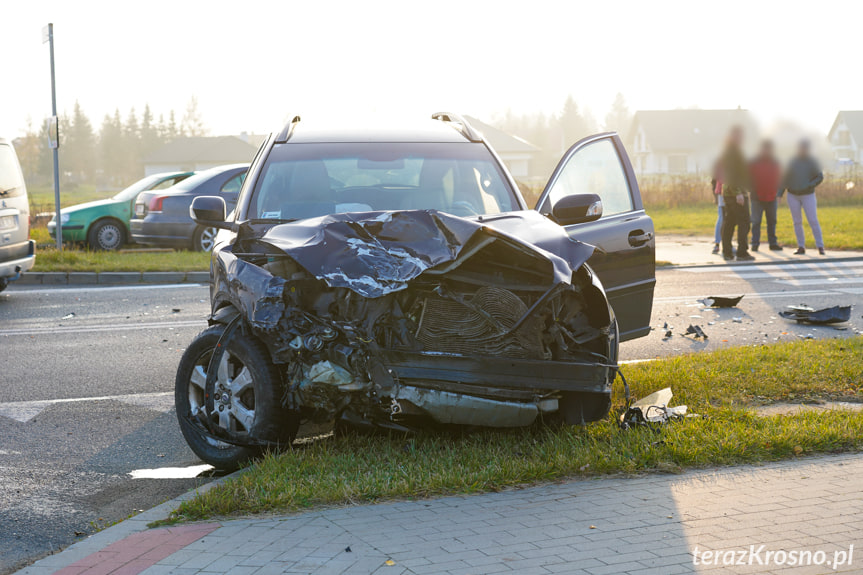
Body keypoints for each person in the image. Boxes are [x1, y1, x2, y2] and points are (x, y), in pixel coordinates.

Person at [781, 139, 825, 255]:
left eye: (804, 148)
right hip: (792, 195)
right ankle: (801, 246)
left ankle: (820, 246)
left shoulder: (812, 162)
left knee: (812, 220)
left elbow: (820, 177)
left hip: (808, 195)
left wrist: (809, 185)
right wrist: (780, 193)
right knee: (797, 221)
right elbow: (784, 178)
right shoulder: (791, 162)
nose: (802, 150)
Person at [720, 126, 754, 261]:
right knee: (744, 222)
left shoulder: (730, 150)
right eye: (740, 136)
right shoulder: (732, 151)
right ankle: (741, 252)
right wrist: (739, 193)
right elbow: (732, 174)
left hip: (730, 192)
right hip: (735, 192)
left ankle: (727, 252)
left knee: (730, 222)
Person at [749, 140, 783, 251]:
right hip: (756, 197)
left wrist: (778, 193)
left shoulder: (775, 162)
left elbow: (780, 178)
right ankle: (755, 243)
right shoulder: (753, 162)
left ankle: (773, 243)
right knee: (756, 222)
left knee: (772, 221)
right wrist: (752, 190)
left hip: (772, 196)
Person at [710, 162, 724, 254]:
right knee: (722, 218)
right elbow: (714, 181)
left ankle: (723, 243)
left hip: (722, 193)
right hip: (723, 193)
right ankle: (717, 243)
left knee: (726, 219)